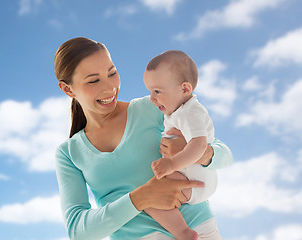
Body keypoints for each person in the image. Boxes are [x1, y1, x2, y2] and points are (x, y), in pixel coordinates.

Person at [54, 37, 232, 240]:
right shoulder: (69, 153)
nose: (109, 87)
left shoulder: (153, 108)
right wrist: (140, 198)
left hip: (199, 231)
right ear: (68, 89)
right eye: (94, 80)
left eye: (112, 73)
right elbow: (78, 231)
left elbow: (225, 155)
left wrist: (194, 151)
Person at [142, 50, 219, 240]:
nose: (152, 98)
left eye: (157, 91)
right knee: (151, 194)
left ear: (185, 89)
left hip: (194, 178)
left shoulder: (190, 113)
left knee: (149, 198)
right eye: (150, 92)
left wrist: (172, 164)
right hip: (196, 177)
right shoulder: (179, 111)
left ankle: (183, 232)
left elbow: (199, 145)